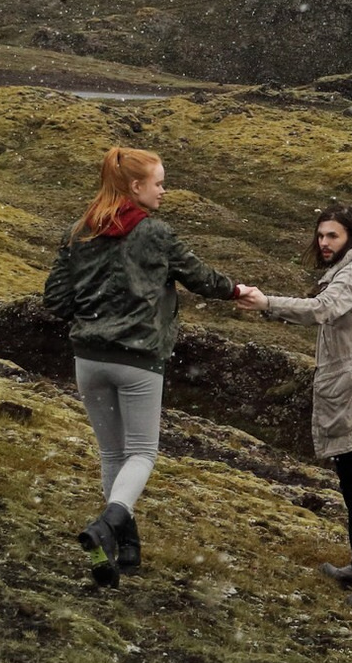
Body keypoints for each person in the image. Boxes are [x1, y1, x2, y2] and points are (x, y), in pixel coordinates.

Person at [43, 145, 253, 587]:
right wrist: (238, 291)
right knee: (142, 452)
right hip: (138, 360)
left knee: (111, 454)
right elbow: (201, 278)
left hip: (88, 359)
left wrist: (95, 315)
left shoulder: (78, 231)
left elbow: (55, 301)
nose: (163, 191)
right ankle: (108, 524)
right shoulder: (156, 234)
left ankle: (122, 549)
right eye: (158, 183)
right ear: (135, 187)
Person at [240, 205, 352, 616]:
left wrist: (266, 303)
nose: (324, 243)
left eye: (332, 236)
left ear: (351, 235)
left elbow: (321, 310)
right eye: (320, 235)